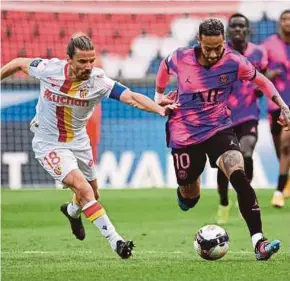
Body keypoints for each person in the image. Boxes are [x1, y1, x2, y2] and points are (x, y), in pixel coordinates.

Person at [0, 34, 178, 259]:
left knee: (92, 194)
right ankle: (117, 242)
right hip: (49, 144)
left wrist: (160, 109)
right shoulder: (49, 69)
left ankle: (72, 211)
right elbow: (18, 63)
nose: (88, 66)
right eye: (82, 61)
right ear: (68, 60)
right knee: (84, 190)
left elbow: (131, 96)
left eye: (91, 60)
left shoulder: (98, 81)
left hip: (79, 142)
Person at [155, 18, 290, 260]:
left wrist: (282, 105)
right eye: (209, 48)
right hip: (184, 133)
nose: (215, 53)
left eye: (219, 46)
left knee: (238, 173)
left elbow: (262, 80)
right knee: (190, 197)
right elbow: (164, 68)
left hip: (218, 128)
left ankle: (259, 243)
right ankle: (185, 193)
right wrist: (158, 95)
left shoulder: (233, 61)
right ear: (199, 41)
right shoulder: (180, 57)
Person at [215, 13, 268, 224]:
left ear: (247, 30)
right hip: (223, 117)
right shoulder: (220, 53)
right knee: (224, 163)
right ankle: (223, 202)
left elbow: (262, 78)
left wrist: (260, 90)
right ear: (228, 31)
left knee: (246, 153)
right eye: (234, 26)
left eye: (241, 26)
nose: (237, 30)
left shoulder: (258, 53)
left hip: (248, 114)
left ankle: (243, 196)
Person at [263, 10, 290, 208]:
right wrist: (269, 74)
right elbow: (259, 71)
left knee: (286, 145)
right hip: (275, 104)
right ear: (280, 22)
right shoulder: (268, 45)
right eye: (285, 19)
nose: (288, 22)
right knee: (278, 148)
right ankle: (286, 181)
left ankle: (279, 191)